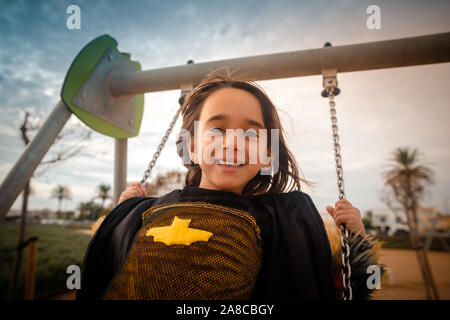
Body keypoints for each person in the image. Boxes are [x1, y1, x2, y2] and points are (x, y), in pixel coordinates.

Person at [77, 68, 383, 300]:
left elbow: (333, 288)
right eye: (218, 129)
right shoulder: (149, 211)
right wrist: (123, 212)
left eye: (250, 133)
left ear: (267, 155)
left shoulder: (277, 222)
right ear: (192, 146)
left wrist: (354, 242)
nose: (234, 142)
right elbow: (107, 258)